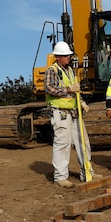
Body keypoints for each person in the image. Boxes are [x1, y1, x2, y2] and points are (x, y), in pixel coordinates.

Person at [45, 41, 99, 188]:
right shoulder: (53, 70)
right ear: (58, 57)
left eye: (68, 55)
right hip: (60, 113)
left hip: (74, 111)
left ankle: (87, 171)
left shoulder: (70, 71)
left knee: (83, 142)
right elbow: (50, 88)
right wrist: (68, 89)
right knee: (62, 144)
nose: (68, 57)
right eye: (65, 56)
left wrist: (81, 101)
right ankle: (60, 177)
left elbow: (75, 91)